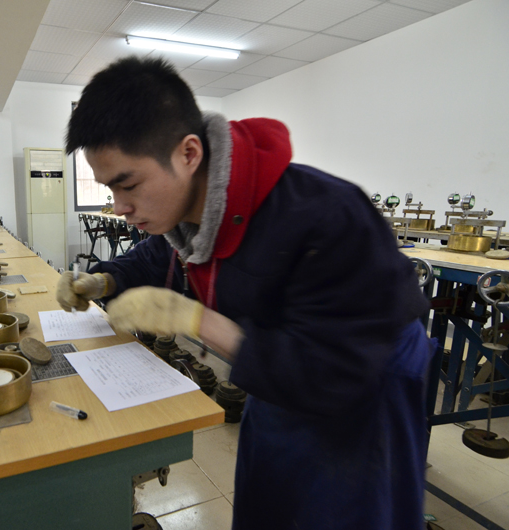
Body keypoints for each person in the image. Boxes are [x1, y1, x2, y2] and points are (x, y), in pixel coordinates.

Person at [56, 56, 434, 529]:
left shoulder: (327, 216)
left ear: (188, 154)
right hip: (275, 372)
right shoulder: (193, 212)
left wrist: (198, 321)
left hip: (362, 389)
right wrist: (104, 280)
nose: (120, 208)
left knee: (345, 512)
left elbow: (333, 371)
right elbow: (157, 258)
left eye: (127, 184)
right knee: (268, 502)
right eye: (110, 189)